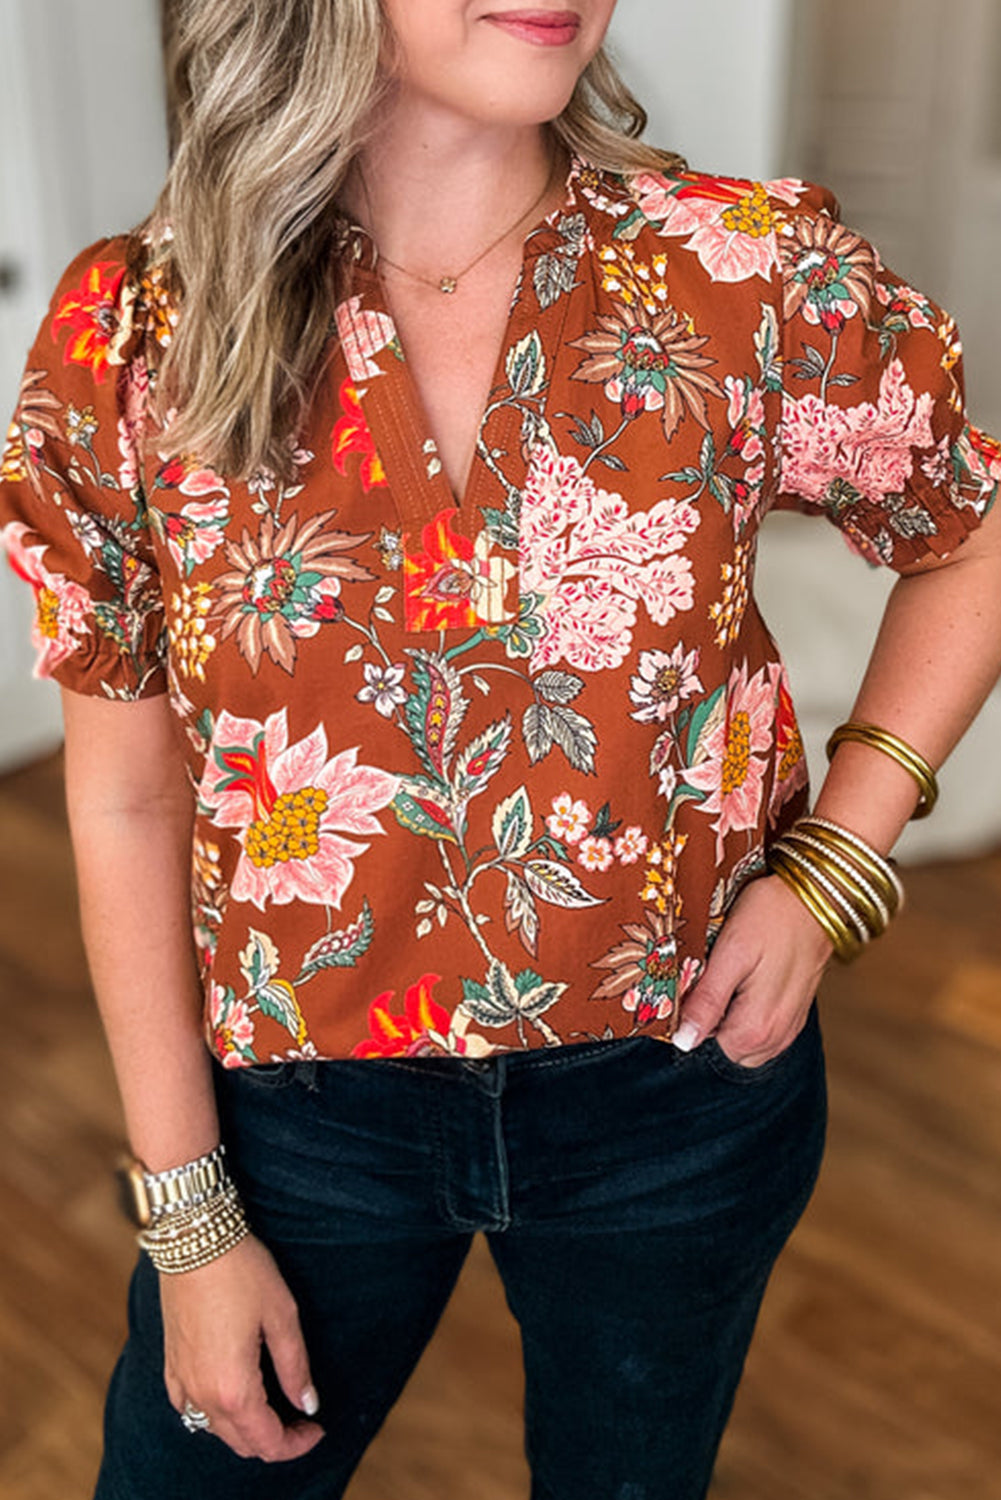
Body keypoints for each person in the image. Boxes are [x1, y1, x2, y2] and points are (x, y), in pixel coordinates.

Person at [3, 1, 1001, 1495]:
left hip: (677, 1090)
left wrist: (838, 861)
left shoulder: (738, 275)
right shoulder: (140, 330)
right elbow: (127, 792)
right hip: (297, 1121)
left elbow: (968, 535)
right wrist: (190, 1218)